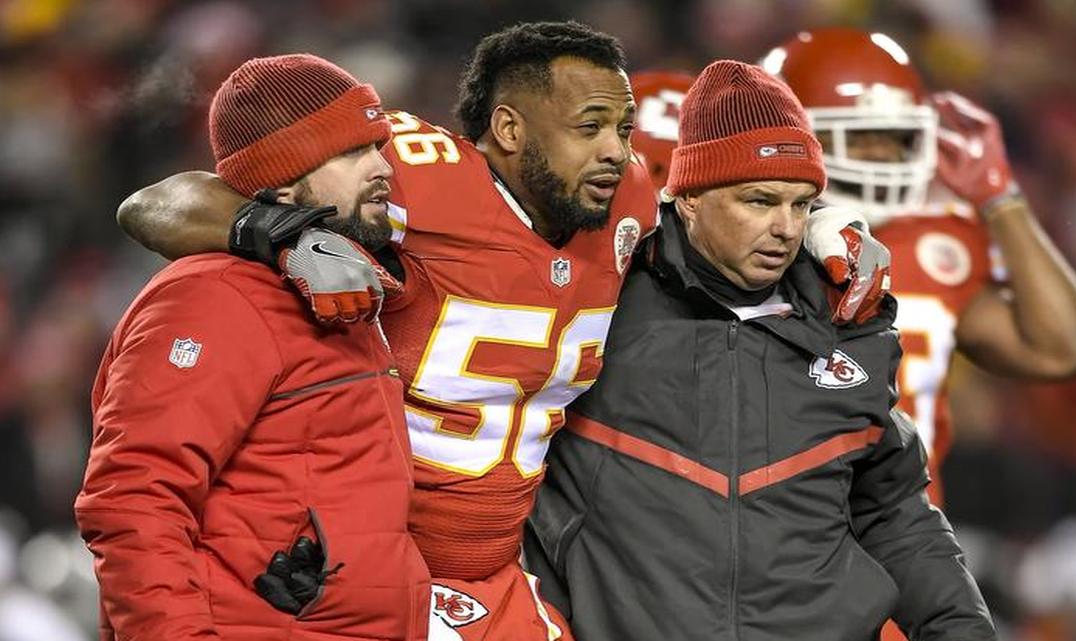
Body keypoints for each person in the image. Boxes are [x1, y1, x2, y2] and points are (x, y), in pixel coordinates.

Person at [112, 22, 888, 641]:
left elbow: (720, 205)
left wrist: (821, 219)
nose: (617, 149)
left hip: (502, 569)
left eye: (620, 127)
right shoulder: (413, 178)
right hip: (376, 571)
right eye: (592, 126)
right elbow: (160, 202)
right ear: (510, 129)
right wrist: (272, 229)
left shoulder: (622, 196)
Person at [524, 60, 998, 641]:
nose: (784, 227)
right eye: (759, 200)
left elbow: (894, 511)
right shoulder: (597, 303)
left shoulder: (849, 321)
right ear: (689, 197)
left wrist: (962, 630)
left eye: (801, 205)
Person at [74, 55, 430, 641]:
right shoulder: (213, 296)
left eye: (377, 147)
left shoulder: (344, 288)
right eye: (350, 153)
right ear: (284, 181)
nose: (382, 169)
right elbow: (134, 502)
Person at [760, 27, 1076, 506]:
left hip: (906, 539)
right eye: (860, 138)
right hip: (776, 526)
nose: (881, 156)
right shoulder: (740, 238)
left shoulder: (936, 241)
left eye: (894, 139)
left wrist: (1000, 200)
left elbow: (1067, 350)